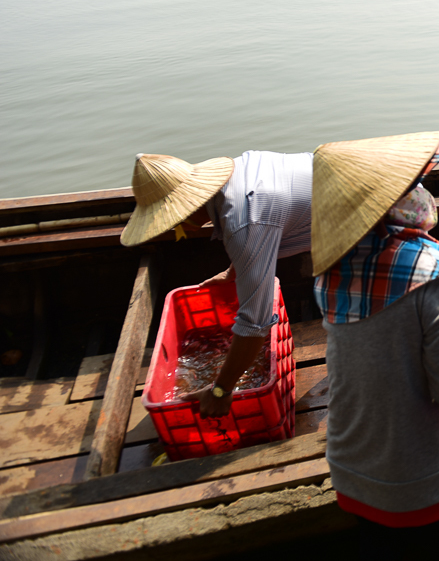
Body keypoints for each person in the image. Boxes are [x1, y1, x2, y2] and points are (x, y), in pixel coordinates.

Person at [310, 131, 439, 561]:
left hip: (350, 472)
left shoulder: (335, 270)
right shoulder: (431, 275)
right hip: (422, 484)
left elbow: (388, 310)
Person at [121, 149, 312, 417]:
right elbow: (265, 227)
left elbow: (255, 323)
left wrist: (220, 390)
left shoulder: (244, 223)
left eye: (172, 222)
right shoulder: (241, 173)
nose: (176, 231)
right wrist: (233, 272)